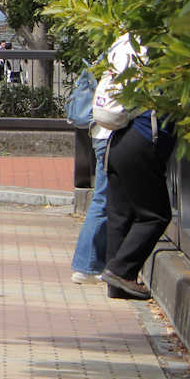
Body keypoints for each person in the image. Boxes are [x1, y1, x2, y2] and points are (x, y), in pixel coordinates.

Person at [98, 33, 174, 301]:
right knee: (156, 215)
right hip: (141, 141)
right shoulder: (161, 50)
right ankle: (121, 271)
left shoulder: (124, 43)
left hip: (118, 141)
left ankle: (117, 283)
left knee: (120, 215)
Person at [70, 56, 113, 285]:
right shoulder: (126, 52)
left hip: (99, 132)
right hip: (109, 134)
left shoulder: (108, 54)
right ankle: (87, 265)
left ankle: (92, 264)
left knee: (103, 198)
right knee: (103, 199)